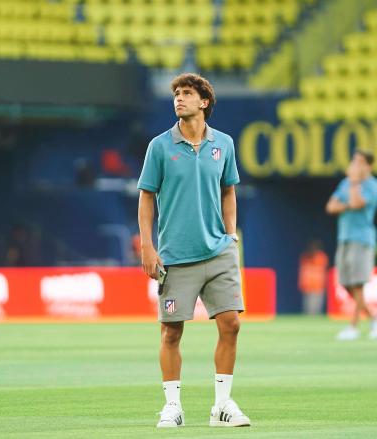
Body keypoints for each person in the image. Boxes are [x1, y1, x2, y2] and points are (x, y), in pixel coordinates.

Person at [137, 73, 250, 428]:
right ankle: (172, 406)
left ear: (204, 102)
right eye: (176, 94)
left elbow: (229, 189)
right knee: (171, 331)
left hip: (218, 251)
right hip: (176, 254)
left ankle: (222, 406)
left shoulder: (225, 144)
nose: (179, 99)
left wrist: (230, 234)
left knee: (230, 324)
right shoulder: (159, 146)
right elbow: (146, 196)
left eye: (187, 93)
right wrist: (147, 245)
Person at [325, 149, 377, 341]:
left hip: (362, 238)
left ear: (368, 166)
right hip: (344, 237)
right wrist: (346, 203)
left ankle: (353, 326)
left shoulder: (372, 185)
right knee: (345, 283)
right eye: (354, 160)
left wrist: (353, 183)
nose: (354, 165)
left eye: (359, 162)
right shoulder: (345, 183)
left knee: (358, 283)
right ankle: (376, 317)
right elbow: (330, 206)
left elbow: (357, 203)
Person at [298, 240, 328, 315]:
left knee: (315, 309)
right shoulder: (304, 257)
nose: (312, 250)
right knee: (307, 309)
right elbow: (303, 272)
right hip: (307, 287)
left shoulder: (321, 257)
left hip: (318, 287)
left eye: (314, 248)